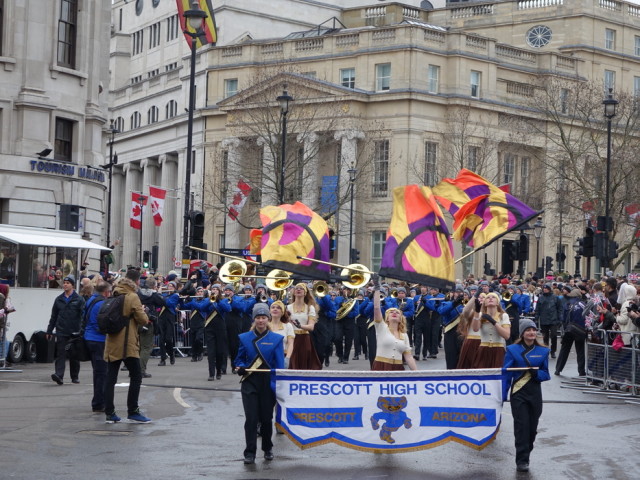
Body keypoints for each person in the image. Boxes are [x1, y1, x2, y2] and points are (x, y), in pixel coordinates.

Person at [235, 303, 284, 464]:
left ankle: (267, 448)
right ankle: (249, 452)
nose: (261, 320)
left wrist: (279, 383)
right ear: (254, 319)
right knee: (251, 418)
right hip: (250, 381)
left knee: (266, 418)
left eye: (263, 317)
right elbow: (239, 359)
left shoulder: (276, 339)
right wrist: (240, 367)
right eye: (258, 317)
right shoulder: (244, 337)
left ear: (268, 319)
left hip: (267, 381)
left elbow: (279, 365)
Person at [103, 269, 151, 424]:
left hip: (112, 341)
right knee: (136, 376)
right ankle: (133, 410)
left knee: (110, 378)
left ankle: (109, 412)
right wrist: (143, 311)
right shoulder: (132, 296)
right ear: (136, 281)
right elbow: (143, 320)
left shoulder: (115, 293)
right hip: (127, 343)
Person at [503, 319, 551, 473]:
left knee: (532, 429)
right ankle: (522, 460)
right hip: (519, 393)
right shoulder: (512, 350)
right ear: (522, 333)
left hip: (535, 393)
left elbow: (546, 374)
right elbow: (505, 374)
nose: (531, 333)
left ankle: (526, 452)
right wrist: (502, 394)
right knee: (521, 427)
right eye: (528, 330)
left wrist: (537, 373)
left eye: (534, 330)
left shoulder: (543, 351)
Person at [370, 276, 417, 371]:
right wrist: (377, 288)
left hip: (398, 368)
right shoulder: (381, 327)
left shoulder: (404, 335)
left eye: (397, 312)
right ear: (387, 318)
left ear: (400, 319)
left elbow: (408, 357)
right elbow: (376, 308)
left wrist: (418, 374)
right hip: (381, 367)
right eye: (391, 312)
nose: (394, 313)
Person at [46, 275, 85, 385]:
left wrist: (82, 330)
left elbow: (83, 315)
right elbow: (54, 316)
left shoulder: (79, 299)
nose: (65, 285)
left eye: (68, 283)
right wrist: (49, 330)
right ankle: (59, 375)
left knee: (74, 355)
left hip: (74, 332)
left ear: (72, 285)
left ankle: (75, 376)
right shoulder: (59, 299)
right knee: (61, 354)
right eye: (64, 283)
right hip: (61, 330)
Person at [82, 282, 111, 412]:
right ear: (105, 292)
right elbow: (97, 323)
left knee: (98, 372)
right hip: (98, 339)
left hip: (89, 338)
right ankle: (99, 403)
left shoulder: (91, 300)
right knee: (101, 373)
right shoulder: (101, 303)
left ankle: (99, 401)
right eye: (109, 292)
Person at [471, 292, 510, 368]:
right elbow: (475, 329)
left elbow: (506, 336)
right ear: (485, 303)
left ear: (497, 303)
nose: (490, 298)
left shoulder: (503, 316)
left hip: (499, 350)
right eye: (488, 297)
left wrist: (494, 322)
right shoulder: (481, 315)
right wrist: (477, 312)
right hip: (483, 350)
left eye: (493, 297)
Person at [287, 283, 322, 370]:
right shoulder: (288, 308)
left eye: (301, 288)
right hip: (291, 338)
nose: (298, 290)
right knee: (291, 364)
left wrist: (300, 326)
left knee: (303, 364)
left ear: (305, 292)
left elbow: (311, 327)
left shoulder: (310, 308)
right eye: (296, 288)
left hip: (304, 339)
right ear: (294, 292)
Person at [555, 288, 586, 377]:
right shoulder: (583, 304)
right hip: (580, 329)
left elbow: (563, 318)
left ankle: (558, 369)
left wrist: (565, 328)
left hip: (569, 329)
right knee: (580, 350)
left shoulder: (567, 304)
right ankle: (581, 371)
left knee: (564, 349)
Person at [137, 276, 165, 378]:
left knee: (138, 347)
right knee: (146, 347)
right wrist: (158, 293)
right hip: (148, 321)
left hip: (137, 321)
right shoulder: (154, 295)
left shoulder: (138, 293)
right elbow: (163, 302)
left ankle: (134, 370)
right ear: (153, 286)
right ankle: (141, 370)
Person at [203, 284, 231, 380]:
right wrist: (210, 301)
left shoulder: (224, 300)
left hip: (220, 329)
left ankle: (219, 371)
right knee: (211, 352)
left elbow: (228, 309)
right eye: (213, 289)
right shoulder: (207, 300)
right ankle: (211, 374)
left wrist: (218, 301)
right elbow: (202, 308)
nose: (214, 290)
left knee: (220, 352)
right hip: (210, 328)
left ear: (219, 291)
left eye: (216, 289)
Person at [535, 284, 563, 359]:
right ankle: (546, 350)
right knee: (545, 337)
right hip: (544, 319)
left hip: (553, 319)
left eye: (546, 289)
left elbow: (560, 308)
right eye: (544, 289)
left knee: (554, 335)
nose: (545, 290)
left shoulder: (555, 298)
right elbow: (538, 309)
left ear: (549, 289)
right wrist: (536, 317)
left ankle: (553, 351)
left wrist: (560, 318)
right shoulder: (541, 298)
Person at [157, 280, 180, 366]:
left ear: (174, 288)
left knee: (168, 339)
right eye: (169, 286)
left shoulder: (175, 296)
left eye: (172, 286)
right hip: (162, 317)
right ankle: (162, 359)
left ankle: (171, 354)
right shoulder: (164, 295)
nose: (170, 287)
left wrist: (160, 296)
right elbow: (158, 303)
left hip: (170, 317)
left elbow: (168, 303)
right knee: (161, 339)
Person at [269, 300, 295, 367]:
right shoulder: (265, 326)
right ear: (270, 311)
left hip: (282, 356)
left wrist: (287, 358)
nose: (275, 309)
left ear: (282, 312)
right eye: (273, 307)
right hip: (267, 356)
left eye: (278, 308)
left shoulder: (288, 326)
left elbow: (290, 344)